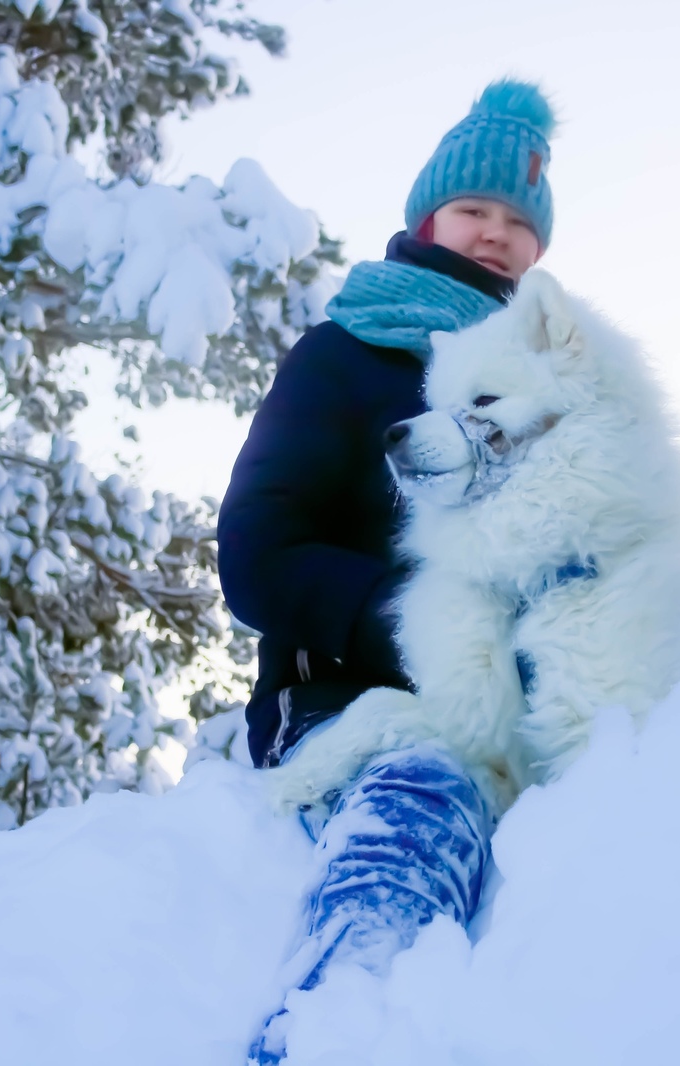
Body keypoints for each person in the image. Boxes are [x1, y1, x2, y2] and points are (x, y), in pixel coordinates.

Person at [217, 78, 555, 1063]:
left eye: (516, 219)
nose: (494, 234)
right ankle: (326, 1028)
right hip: (346, 696)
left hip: (521, 708)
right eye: (471, 210)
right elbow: (256, 551)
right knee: (425, 791)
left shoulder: (545, 381)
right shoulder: (345, 354)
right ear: (425, 217)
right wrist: (417, 627)